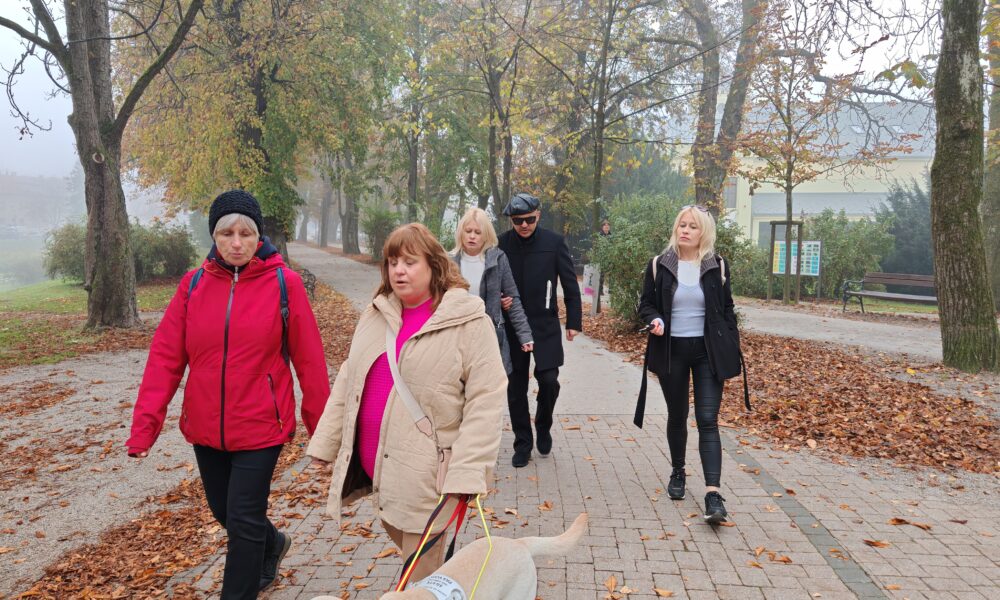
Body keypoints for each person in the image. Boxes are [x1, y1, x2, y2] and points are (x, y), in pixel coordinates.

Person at [126, 190, 331, 598]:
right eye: (226, 233)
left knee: (242, 518)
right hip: (206, 427)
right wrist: (144, 428)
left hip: (261, 425)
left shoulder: (284, 284)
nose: (236, 242)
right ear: (214, 236)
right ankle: (273, 544)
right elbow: (165, 358)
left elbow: (310, 362)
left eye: (245, 233)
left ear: (259, 237)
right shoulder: (194, 284)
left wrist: (324, 433)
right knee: (227, 513)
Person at [306, 223, 507, 582]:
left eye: (410, 262)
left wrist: (466, 474)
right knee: (418, 570)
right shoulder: (375, 315)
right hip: (383, 478)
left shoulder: (469, 323)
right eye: (392, 261)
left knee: (420, 579)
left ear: (434, 266)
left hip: (429, 484)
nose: (398, 270)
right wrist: (326, 442)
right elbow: (350, 381)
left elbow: (486, 402)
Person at [635, 204, 747, 525]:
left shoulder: (716, 266)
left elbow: (727, 310)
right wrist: (654, 318)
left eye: (692, 226)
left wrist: (730, 344)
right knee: (678, 415)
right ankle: (678, 471)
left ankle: (713, 493)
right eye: (682, 224)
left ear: (703, 233)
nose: (685, 230)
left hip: (707, 353)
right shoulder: (660, 265)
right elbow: (646, 303)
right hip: (672, 351)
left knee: (708, 419)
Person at [498, 192, 582, 468]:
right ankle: (523, 443)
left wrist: (573, 322)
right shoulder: (501, 245)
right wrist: (498, 300)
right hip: (512, 326)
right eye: (518, 220)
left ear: (538, 215)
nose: (524, 225)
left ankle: (543, 424)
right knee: (516, 387)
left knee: (548, 380)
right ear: (511, 220)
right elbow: (491, 282)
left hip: (545, 324)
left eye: (529, 219)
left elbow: (570, 285)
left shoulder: (554, 243)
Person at [451, 207, 534, 374]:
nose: (472, 236)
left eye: (478, 232)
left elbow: (513, 299)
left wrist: (525, 335)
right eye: (468, 231)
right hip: (455, 335)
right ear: (461, 233)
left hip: (489, 336)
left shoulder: (498, 259)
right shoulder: (448, 262)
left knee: (487, 388)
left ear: (486, 235)